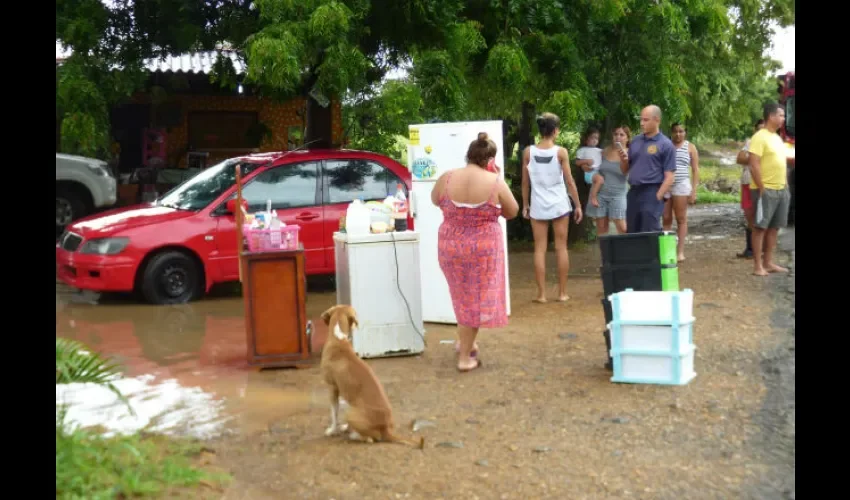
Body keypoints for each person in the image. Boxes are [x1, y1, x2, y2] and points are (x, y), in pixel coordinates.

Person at [430, 132, 519, 372]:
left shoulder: (447, 178)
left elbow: (435, 200)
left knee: (462, 296)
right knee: (476, 300)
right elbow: (512, 211)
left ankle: (464, 342)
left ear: (468, 155)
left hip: (451, 246)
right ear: (490, 159)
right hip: (483, 249)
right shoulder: (495, 182)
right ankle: (465, 358)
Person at [521, 113, 583, 303]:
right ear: (555, 130)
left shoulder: (528, 152)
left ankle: (541, 295)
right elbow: (570, 181)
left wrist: (525, 205)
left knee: (539, 249)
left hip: (538, 204)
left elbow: (525, 182)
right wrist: (578, 204)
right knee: (561, 247)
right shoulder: (560, 152)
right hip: (559, 204)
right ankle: (562, 293)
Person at [618, 105, 676, 233]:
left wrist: (657, 197)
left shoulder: (666, 144)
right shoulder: (636, 141)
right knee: (632, 231)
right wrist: (623, 160)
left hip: (652, 191)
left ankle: (651, 254)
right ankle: (635, 254)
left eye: (645, 120)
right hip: (633, 192)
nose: (641, 123)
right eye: (641, 120)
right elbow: (624, 170)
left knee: (649, 231)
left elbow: (670, 177)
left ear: (656, 120)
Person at [748, 102, 790, 277]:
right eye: (781, 115)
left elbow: (782, 163)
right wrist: (762, 188)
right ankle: (758, 266)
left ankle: (768, 262)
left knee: (774, 228)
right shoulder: (760, 136)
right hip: (765, 190)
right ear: (771, 116)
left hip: (781, 189)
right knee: (760, 228)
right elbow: (753, 164)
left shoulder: (777, 137)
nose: (783, 118)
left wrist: (786, 185)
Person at [661, 122, 700, 262]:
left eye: (681, 131)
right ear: (671, 132)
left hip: (682, 185)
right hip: (666, 184)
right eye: (675, 131)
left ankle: (680, 252)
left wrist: (694, 190)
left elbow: (695, 169)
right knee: (666, 217)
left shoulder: (690, 147)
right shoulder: (666, 145)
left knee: (681, 218)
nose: (678, 134)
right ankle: (667, 250)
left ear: (685, 133)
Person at [585, 126, 630, 235]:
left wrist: (625, 160)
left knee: (623, 228)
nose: (618, 137)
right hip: (601, 194)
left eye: (622, 135)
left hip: (618, 194)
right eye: (615, 134)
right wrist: (587, 168)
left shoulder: (630, 153)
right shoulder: (604, 151)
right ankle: (605, 252)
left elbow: (627, 173)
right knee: (602, 229)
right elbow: (593, 167)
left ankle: (626, 251)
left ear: (627, 138)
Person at [735, 119, 766, 258]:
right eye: (758, 129)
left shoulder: (771, 143)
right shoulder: (750, 142)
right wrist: (755, 158)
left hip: (764, 184)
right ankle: (750, 249)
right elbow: (740, 158)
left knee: (763, 216)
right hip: (748, 182)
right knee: (749, 216)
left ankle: (760, 250)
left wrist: (752, 158)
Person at [575, 126, 604, 208]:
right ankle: (593, 198)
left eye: (597, 138)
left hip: (599, 172)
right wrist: (586, 161)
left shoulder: (600, 151)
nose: (595, 140)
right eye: (592, 137)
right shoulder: (582, 150)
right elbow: (577, 162)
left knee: (602, 180)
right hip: (589, 172)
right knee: (600, 180)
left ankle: (598, 202)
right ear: (586, 139)